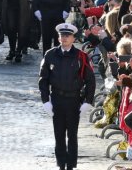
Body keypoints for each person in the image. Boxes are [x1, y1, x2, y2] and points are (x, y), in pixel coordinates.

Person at [38, 23, 96, 170]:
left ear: (73, 38)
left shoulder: (81, 56)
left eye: (67, 35)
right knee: (59, 134)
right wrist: (45, 100)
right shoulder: (50, 54)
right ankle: (61, 164)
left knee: (72, 134)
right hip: (57, 98)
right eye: (62, 35)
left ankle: (70, 165)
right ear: (58, 38)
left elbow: (90, 80)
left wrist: (88, 101)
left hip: (73, 99)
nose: (64, 38)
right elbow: (43, 79)